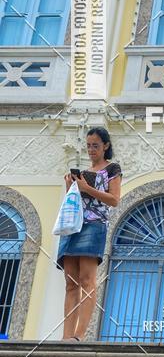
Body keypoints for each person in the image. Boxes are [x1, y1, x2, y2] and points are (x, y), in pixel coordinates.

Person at [57, 126, 122, 341]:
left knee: (86, 280)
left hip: (94, 226)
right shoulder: (83, 172)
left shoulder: (112, 169)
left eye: (95, 145)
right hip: (73, 226)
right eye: (88, 146)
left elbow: (114, 200)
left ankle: (79, 334)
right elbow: (76, 201)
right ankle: (66, 336)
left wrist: (87, 189)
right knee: (70, 283)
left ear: (106, 146)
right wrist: (71, 187)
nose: (91, 150)